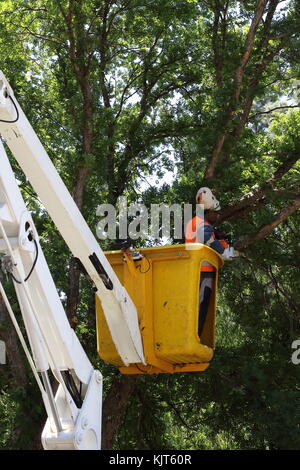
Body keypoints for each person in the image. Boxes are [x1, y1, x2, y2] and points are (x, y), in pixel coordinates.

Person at [185, 187, 228, 339]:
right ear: (209, 211)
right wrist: (222, 249)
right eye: (215, 213)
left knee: (192, 306)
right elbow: (207, 241)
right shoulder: (205, 226)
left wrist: (216, 236)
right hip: (205, 272)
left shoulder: (193, 222)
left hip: (192, 270)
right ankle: (194, 338)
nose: (217, 216)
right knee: (201, 307)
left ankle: (189, 336)